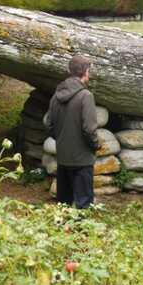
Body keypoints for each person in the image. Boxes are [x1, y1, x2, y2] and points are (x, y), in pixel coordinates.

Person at [44, 55, 99, 209]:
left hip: (63, 158)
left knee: (63, 204)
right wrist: (95, 145)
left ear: (70, 71)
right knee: (83, 204)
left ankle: (63, 232)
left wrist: (61, 139)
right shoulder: (86, 96)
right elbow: (89, 130)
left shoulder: (56, 95)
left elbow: (48, 124)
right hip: (82, 160)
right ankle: (81, 232)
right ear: (86, 72)